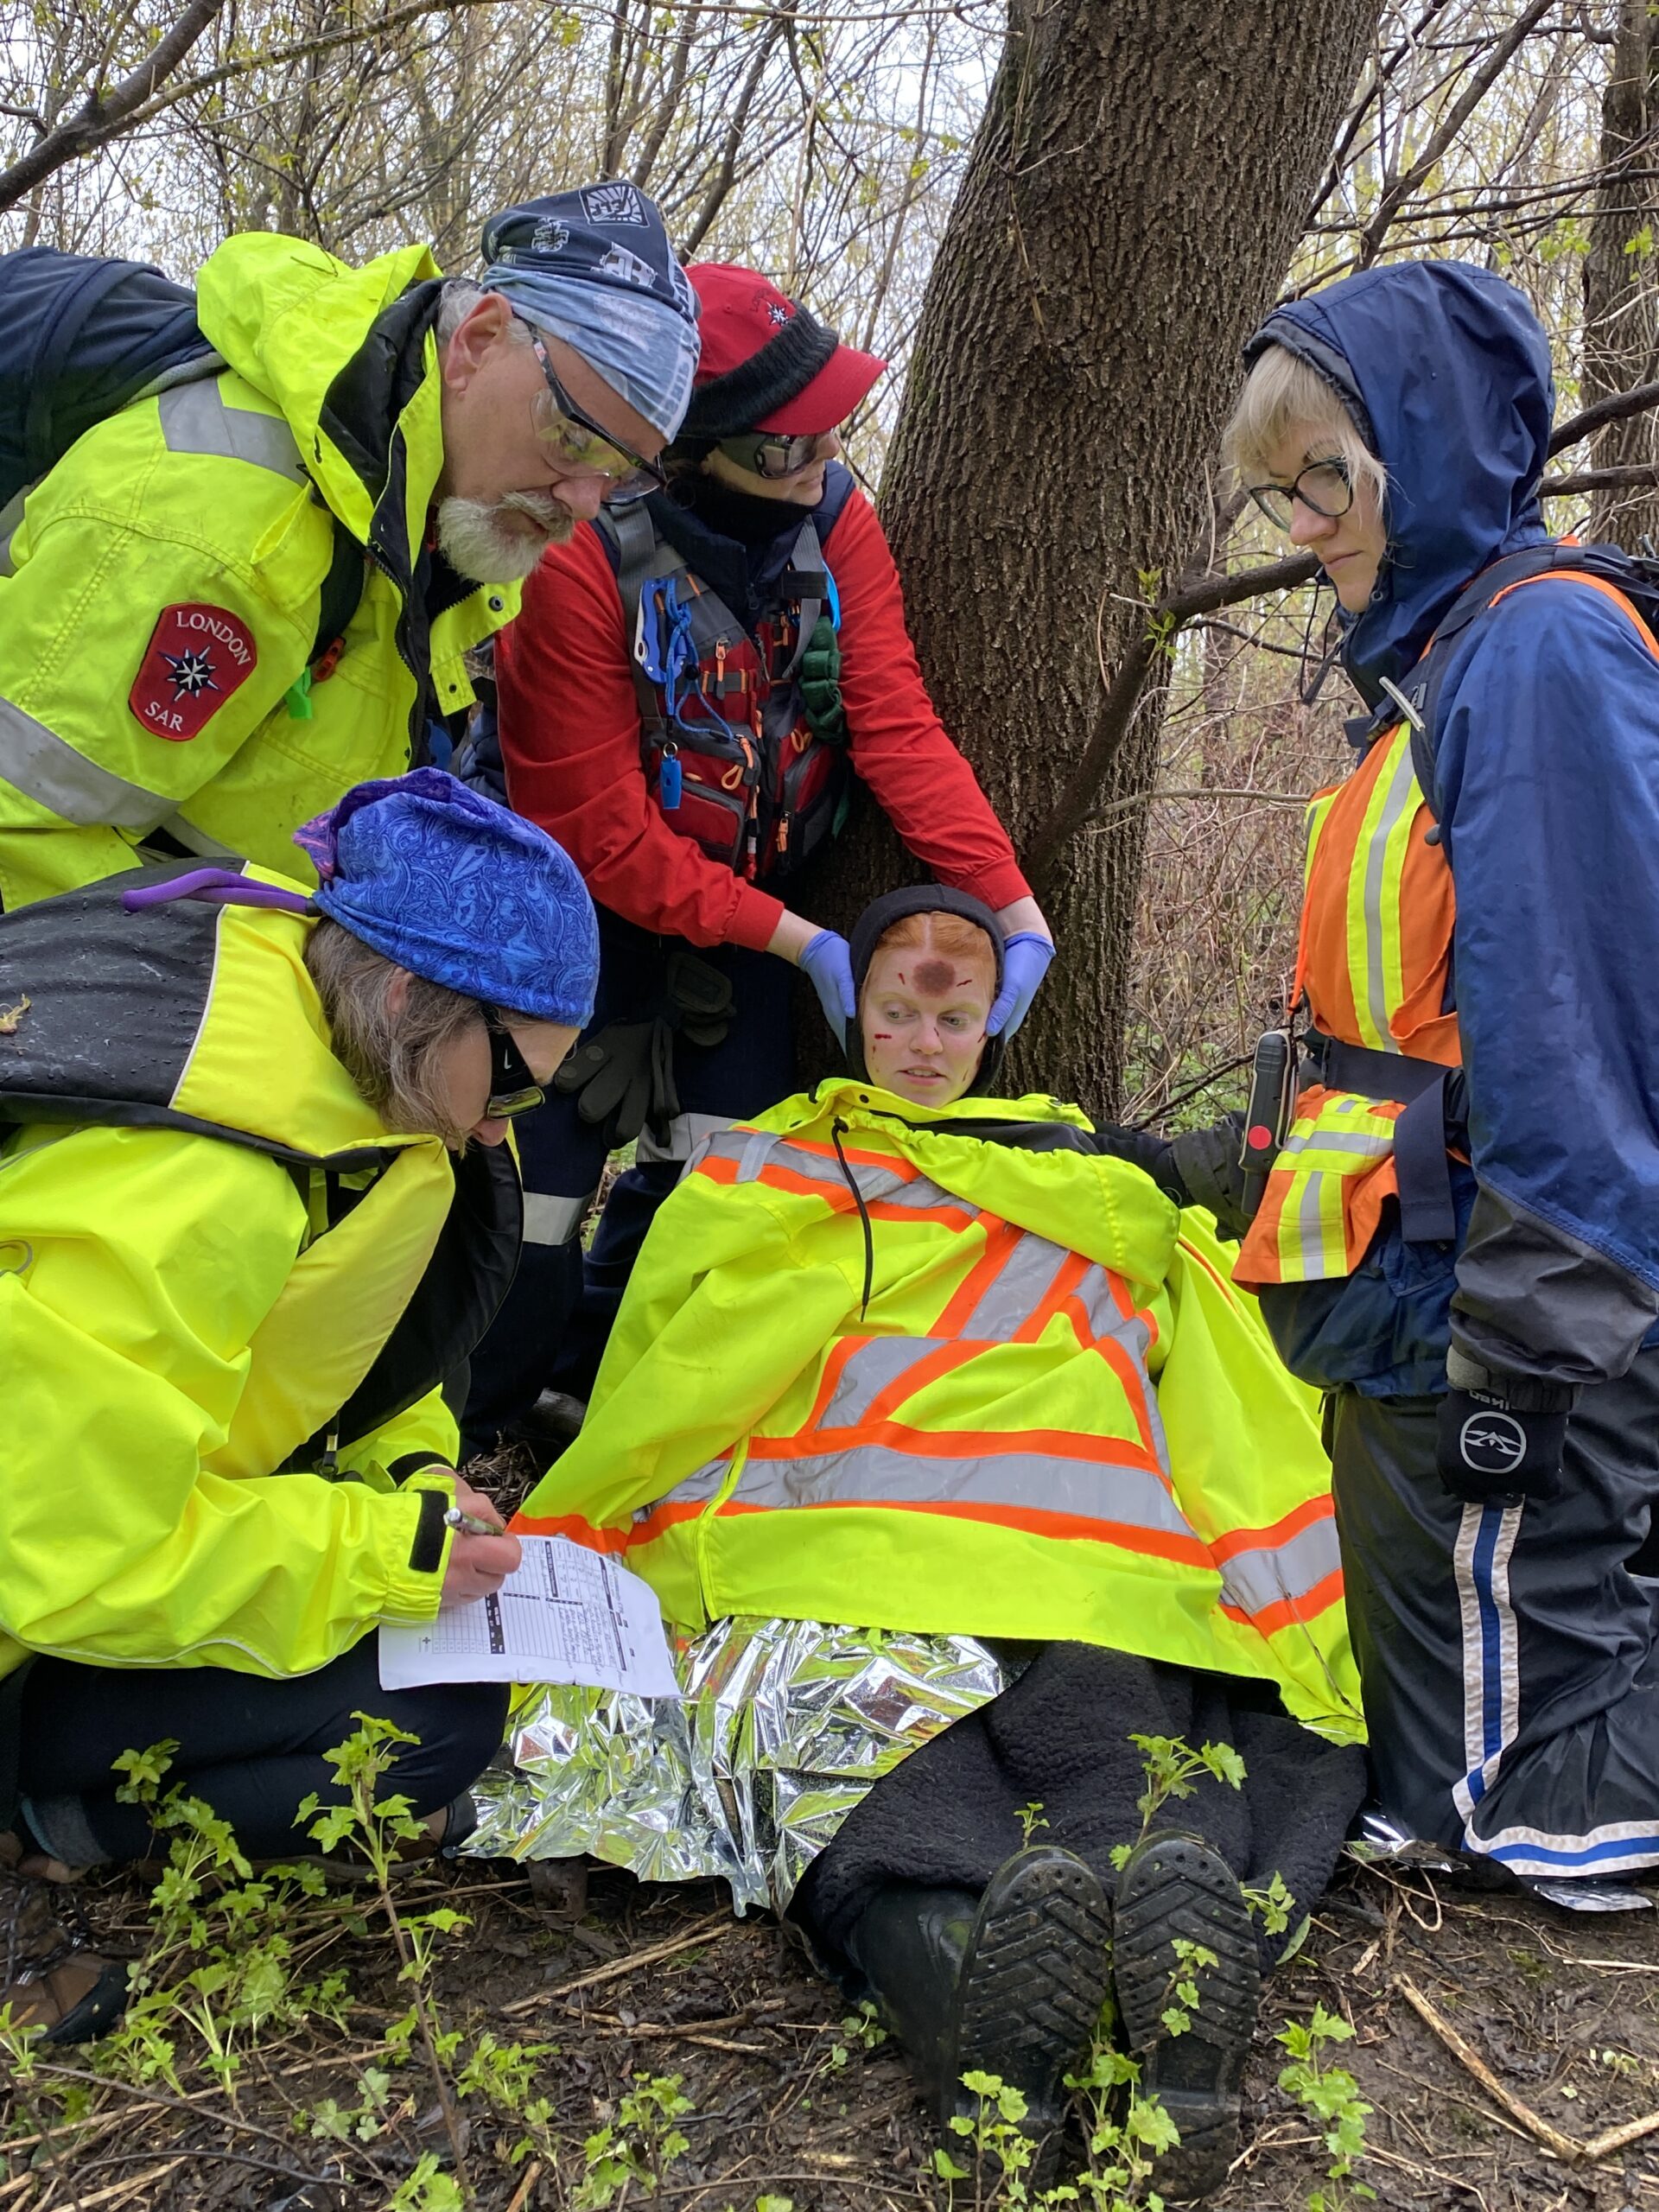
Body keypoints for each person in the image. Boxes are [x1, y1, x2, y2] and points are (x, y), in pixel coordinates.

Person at [484, 889, 1367, 2198]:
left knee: (867, 1767)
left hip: (842, 1546)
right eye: (898, 1010)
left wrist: (595, 1510)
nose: (920, 1039)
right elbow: (1228, 1390)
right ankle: (1173, 1961)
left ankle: (962, 1987)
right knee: (1121, 1737)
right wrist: (1269, 1568)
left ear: (991, 1026)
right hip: (1087, 1549)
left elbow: (679, 1364)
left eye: (950, 1015)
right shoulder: (1107, 1185)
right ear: (857, 1016)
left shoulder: (770, 1168)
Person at [0, 768, 598, 2039]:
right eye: (509, 1078)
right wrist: (385, 1559)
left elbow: (372, 1351)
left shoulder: (359, 1067)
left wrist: (416, 1478)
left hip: (120, 1547)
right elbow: (72, 1559)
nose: (508, 1131)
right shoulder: (184, 1192)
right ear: (404, 994)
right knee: (425, 1729)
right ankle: (43, 1813)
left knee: (440, 1703)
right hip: (41, 1611)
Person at [1201, 259, 1659, 1897]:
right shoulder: (1439, 663)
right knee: (1413, 1753)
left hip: (1492, 1276)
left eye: (1330, 476)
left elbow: (1578, 999)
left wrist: (1547, 1310)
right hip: (1393, 1270)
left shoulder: (1538, 655)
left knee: (1498, 1809)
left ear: (1428, 449)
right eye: (1284, 487)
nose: (1306, 522)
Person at [460, 264, 1054, 1444]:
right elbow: (601, 829)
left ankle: (618, 1421)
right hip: (570, 919)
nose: (819, 464)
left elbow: (893, 717)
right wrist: (797, 940)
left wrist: (1012, 903)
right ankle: (478, 1431)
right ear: (694, 450)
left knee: (722, 1193)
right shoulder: (583, 557)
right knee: (532, 1203)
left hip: (751, 915)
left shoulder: (839, 522)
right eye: (787, 446)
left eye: (831, 433)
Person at [0, 182, 697, 913]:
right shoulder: (232, 536)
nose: (583, 503)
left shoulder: (435, 511)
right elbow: (22, 833)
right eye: (574, 436)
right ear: (478, 341)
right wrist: (287, 994)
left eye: (621, 472)